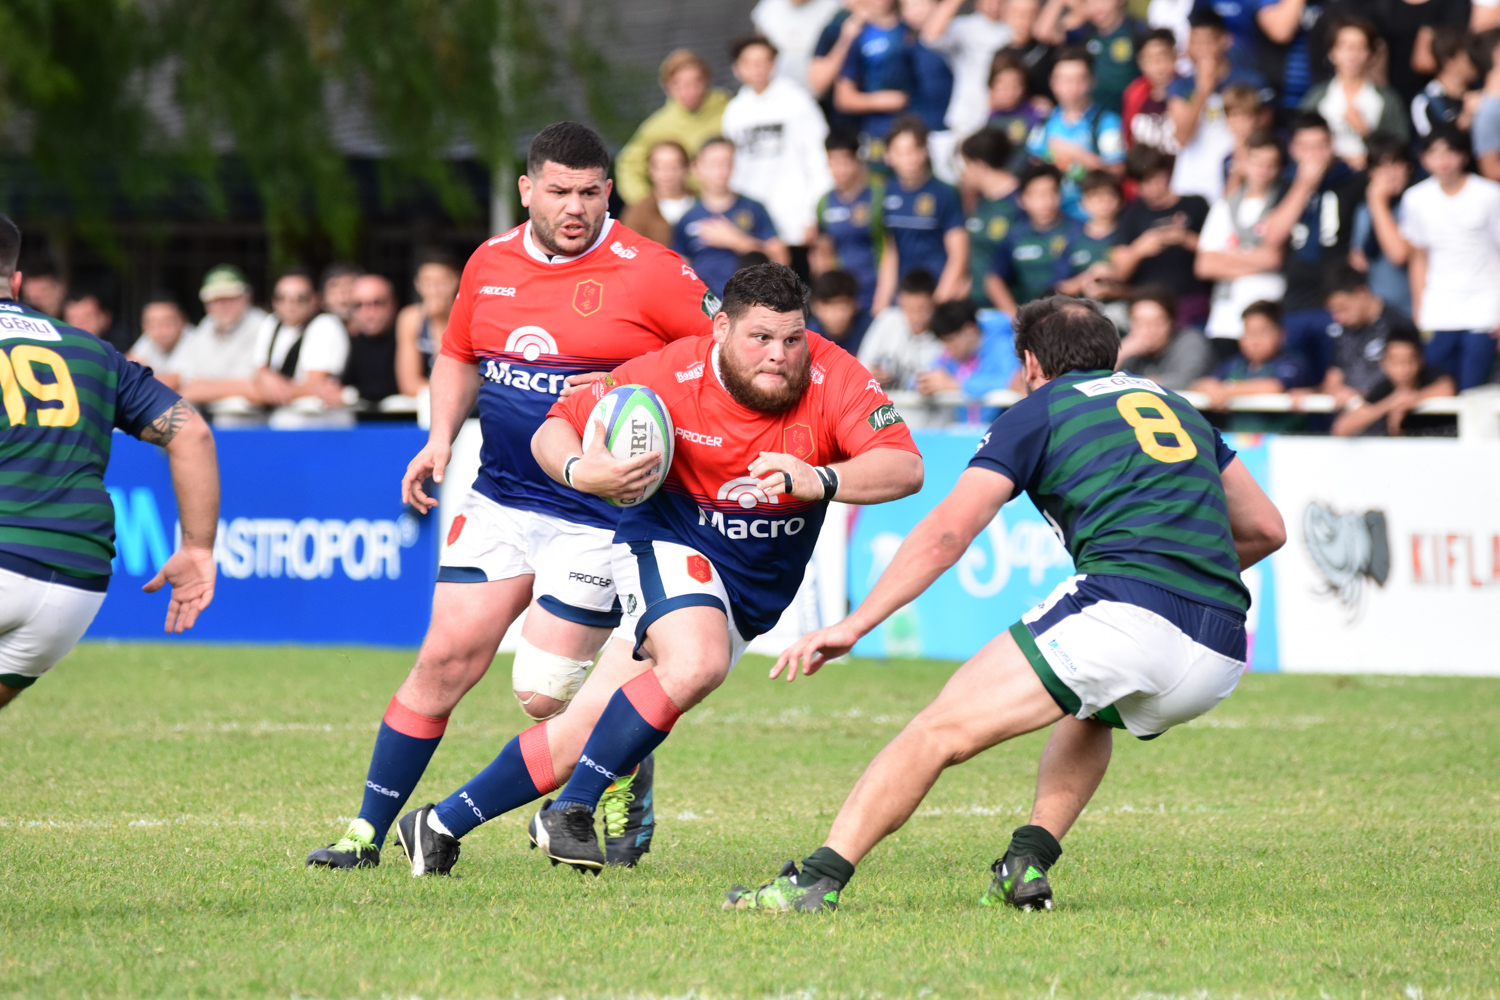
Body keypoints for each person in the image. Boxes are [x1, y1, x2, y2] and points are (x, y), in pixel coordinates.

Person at [726, 294, 1285, 914]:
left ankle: (815, 881)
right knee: (1092, 710)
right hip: (1221, 649)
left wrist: (855, 624)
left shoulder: (1040, 409)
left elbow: (946, 534)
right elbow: (1266, 529)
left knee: (936, 730)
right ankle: (1025, 864)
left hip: (1126, 613)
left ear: (1030, 363)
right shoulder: (1177, 407)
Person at [387, 262, 924, 878]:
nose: (779, 355)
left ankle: (437, 824)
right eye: (760, 338)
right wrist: (577, 470)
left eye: (792, 339)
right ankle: (572, 811)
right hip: (665, 539)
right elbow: (558, 426)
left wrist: (823, 478)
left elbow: (904, 466)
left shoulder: (833, 374)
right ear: (721, 328)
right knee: (695, 663)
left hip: (748, 588)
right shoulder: (669, 373)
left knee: (583, 730)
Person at [303, 122, 716, 873]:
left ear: (608, 193)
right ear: (528, 189)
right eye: (558, 191)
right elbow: (460, 354)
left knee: (541, 695)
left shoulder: (654, 272)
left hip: (600, 518)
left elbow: (722, 361)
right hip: (499, 499)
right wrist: (437, 439)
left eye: (591, 193)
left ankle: (625, 759)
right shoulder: (489, 263)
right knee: (442, 662)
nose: (575, 207)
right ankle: (363, 836)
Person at [0, 214, 220, 710]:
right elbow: (193, 433)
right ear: (16, 282)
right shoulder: (92, 350)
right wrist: (198, 548)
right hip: (75, 584)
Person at [1255, 111, 1358, 383]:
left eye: (1322, 146)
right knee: (1298, 382)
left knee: (1335, 381)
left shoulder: (1352, 180)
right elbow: (1273, 236)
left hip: (1336, 300)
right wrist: (1304, 186)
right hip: (1295, 301)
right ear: (1294, 149)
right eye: (1307, 148)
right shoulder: (1285, 184)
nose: (1316, 155)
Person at [1395, 126, 1500, 390]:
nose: (1443, 161)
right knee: (1438, 389)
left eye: (1450, 152)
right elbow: (1418, 255)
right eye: (1434, 153)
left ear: (1464, 156)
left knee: (1474, 391)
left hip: (1484, 308)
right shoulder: (1415, 198)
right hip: (1438, 309)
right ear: (1423, 159)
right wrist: (1420, 308)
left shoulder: (1489, 195)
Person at [721, 35, 834, 266]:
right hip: (753, 225)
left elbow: (818, 158)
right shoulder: (734, 111)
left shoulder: (797, 101)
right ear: (737, 69)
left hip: (795, 219)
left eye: (763, 61)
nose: (757, 68)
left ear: (773, 63)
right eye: (749, 63)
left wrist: (813, 213)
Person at [1194, 129, 1286, 357]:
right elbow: (1205, 265)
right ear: (1243, 163)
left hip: (1268, 315)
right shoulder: (1224, 205)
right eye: (1256, 162)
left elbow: (1274, 258)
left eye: (1270, 164)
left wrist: (1226, 256)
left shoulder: (1285, 203)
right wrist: (1257, 257)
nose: (1262, 170)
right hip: (1225, 319)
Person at [1167, 10, 1272, 202]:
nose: (1201, 49)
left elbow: (1263, 132)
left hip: (1234, 183)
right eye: (1195, 42)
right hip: (1190, 186)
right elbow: (1181, 137)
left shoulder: (1251, 81)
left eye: (1207, 42)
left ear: (1225, 40)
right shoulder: (1180, 86)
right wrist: (1203, 91)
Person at [676, 137, 790, 298]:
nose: (721, 171)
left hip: (751, 303)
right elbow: (679, 271)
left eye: (727, 163)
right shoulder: (687, 218)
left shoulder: (754, 208)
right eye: (713, 164)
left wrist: (737, 241)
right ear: (696, 167)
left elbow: (782, 260)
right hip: (704, 307)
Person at [617, 51, 731, 207]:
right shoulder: (657, 125)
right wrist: (648, 203)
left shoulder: (730, 111)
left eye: (696, 82)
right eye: (679, 84)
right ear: (667, 87)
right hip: (682, 206)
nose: (689, 91)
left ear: (707, 81)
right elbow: (628, 165)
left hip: (727, 201)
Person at [1113, 146, 1211, 326]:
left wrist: (1185, 238)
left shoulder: (1196, 204)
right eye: (1144, 182)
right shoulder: (1131, 214)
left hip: (1193, 300)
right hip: (1148, 307)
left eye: (1155, 178)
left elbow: (1220, 252)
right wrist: (1140, 249)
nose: (1152, 188)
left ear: (1166, 173)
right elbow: (1119, 272)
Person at [876, 116, 968, 306]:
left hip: (938, 293)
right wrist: (882, 302)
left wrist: (938, 302)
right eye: (900, 152)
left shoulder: (945, 193)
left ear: (925, 152)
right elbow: (890, 253)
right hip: (903, 297)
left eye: (913, 151)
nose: (908, 159)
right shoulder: (886, 192)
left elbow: (958, 255)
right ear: (888, 156)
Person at [1297, 15, 1410, 169]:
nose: (1352, 55)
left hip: (1371, 176)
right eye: (1344, 47)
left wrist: (1365, 132)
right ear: (1331, 53)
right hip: (1326, 176)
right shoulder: (1317, 98)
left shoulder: (1388, 99)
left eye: (1360, 47)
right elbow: (1299, 146)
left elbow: (1400, 151)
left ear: (1371, 54)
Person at [1026, 46, 1127, 216]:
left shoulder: (1107, 122)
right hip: (1054, 221)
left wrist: (1078, 154)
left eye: (1079, 80)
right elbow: (1033, 168)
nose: (1072, 88)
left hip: (1093, 221)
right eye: (1064, 80)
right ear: (1052, 82)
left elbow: (1117, 173)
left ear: (1091, 81)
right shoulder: (1044, 122)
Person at [1191, 299, 1316, 421]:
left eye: (1263, 332)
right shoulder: (1235, 363)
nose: (1255, 341)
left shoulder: (1292, 362)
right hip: (1236, 439)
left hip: (1282, 439)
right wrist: (1210, 388)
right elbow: (1201, 384)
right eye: (1249, 332)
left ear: (1281, 334)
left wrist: (1225, 390)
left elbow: (1272, 387)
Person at [1321, 259, 1424, 406]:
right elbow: (1333, 378)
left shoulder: (1398, 326)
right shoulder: (1341, 331)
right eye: (1334, 311)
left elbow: (1408, 380)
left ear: (1361, 293)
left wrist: (1366, 396)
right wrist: (1336, 391)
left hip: (1388, 418)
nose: (1338, 318)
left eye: (1343, 308)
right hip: (1352, 419)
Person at [251, 269, 350, 410]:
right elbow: (259, 370)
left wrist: (245, 390)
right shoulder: (271, 322)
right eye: (282, 298)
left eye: (300, 298)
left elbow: (314, 387)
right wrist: (264, 379)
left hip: (316, 421)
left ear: (315, 300)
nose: (290, 305)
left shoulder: (326, 325)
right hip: (277, 418)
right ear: (273, 301)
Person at [1330, 328, 1457, 437]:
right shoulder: (1383, 389)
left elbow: (1447, 388)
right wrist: (1389, 404)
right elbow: (1341, 428)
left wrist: (1411, 400)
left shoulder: (1432, 376)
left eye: (1409, 361)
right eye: (1396, 362)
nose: (1404, 370)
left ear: (1421, 360)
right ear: (1383, 364)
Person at [173, 264, 268, 406]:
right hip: (209, 417)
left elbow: (257, 390)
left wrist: (206, 388)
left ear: (247, 297)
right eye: (215, 299)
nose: (223, 304)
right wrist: (234, 387)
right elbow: (187, 387)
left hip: (254, 421)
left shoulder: (262, 326)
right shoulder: (206, 326)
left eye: (230, 297)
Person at [813, 129, 885, 314]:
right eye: (832, 162)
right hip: (846, 302)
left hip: (878, 293)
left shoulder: (878, 195)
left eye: (844, 160)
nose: (839, 169)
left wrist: (883, 297)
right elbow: (824, 253)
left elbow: (891, 250)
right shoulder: (824, 203)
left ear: (856, 160)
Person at [921, 0, 1015, 138]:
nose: (994, 5)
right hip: (967, 117)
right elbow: (930, 37)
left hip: (1007, 117)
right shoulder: (964, 26)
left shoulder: (1014, 27)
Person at [988, 163, 1075, 313]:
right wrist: (1017, 319)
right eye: (1037, 195)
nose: (1046, 201)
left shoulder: (1079, 230)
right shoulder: (1015, 236)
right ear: (1021, 199)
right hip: (1032, 319)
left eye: (1052, 192)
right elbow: (993, 280)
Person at [1036, 0, 1148, 116]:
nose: (1098, 6)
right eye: (1091, 2)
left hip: (1130, 113)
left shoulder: (1138, 30)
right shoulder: (1085, 32)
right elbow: (1044, 33)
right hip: (1093, 119)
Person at [918, 299, 1019, 424]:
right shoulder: (950, 353)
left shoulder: (1003, 345)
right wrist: (924, 383)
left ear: (969, 329)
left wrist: (955, 385)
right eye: (944, 343)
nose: (948, 349)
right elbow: (922, 375)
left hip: (1000, 429)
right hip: (964, 432)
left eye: (951, 341)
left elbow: (1013, 381)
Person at [834, 0, 915, 149]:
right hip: (877, 132)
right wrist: (880, 101)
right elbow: (843, 98)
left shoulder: (912, 27)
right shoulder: (859, 34)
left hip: (917, 129)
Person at [1351, 134, 1415, 316]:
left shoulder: (1415, 204)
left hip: (1412, 308)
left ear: (1408, 168)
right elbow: (1359, 257)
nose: (1389, 175)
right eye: (1381, 167)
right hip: (1380, 311)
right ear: (1370, 173)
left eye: (1396, 165)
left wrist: (1378, 202)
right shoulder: (1364, 210)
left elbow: (1399, 254)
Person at [959, 128, 1021, 309]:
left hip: (1012, 311)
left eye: (966, 165)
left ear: (979, 166)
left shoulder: (1020, 204)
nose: (963, 173)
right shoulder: (980, 204)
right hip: (977, 310)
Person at [1369, 0, 1471, 110]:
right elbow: (1379, 48)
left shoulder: (1453, 5)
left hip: (1436, 97)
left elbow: (1424, 62)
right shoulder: (1385, 5)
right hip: (1395, 90)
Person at [1116, 285, 1215, 389]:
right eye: (1141, 323)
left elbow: (1187, 381)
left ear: (1171, 322)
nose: (1149, 331)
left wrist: (1134, 383)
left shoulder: (1190, 341)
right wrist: (1121, 355)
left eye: (1157, 323)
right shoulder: (1128, 350)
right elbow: (1104, 383)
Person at [394, 250, 461, 398]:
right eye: (428, 282)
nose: (434, 289)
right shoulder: (410, 318)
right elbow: (409, 383)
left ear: (457, 280)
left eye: (442, 282)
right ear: (417, 284)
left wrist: (441, 320)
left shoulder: (470, 317)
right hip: (427, 399)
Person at [859, 268, 942, 388]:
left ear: (934, 303)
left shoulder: (943, 336)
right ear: (901, 301)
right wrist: (869, 374)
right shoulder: (887, 320)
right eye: (909, 309)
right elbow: (860, 365)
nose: (916, 317)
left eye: (923, 310)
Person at [1053, 168, 1123, 300]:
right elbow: (1060, 287)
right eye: (1096, 197)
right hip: (1081, 308)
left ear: (1120, 200)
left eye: (1109, 196)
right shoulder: (1071, 237)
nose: (1104, 203)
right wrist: (1091, 275)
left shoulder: (1128, 235)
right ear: (1082, 202)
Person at [751, 0, 844, 91]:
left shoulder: (836, 7)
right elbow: (759, 48)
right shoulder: (767, 7)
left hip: (824, 92)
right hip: (776, 91)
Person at [619, 141, 695, 249]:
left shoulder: (701, 204)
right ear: (650, 170)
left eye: (674, 167)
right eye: (660, 167)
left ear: (686, 168)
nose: (667, 174)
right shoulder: (638, 212)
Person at [342, 274, 400, 405]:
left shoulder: (409, 340)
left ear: (394, 304)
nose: (368, 312)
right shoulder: (348, 343)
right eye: (358, 305)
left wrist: (348, 395)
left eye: (377, 303)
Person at [1123, 27, 1183, 154]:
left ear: (1175, 56)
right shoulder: (1134, 93)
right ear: (1140, 62)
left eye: (1163, 57)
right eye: (1150, 59)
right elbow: (1128, 139)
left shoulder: (1189, 91)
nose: (1158, 65)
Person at [1411, 26, 1478, 138]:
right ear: (1449, 60)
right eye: (1470, 56)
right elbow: (1433, 147)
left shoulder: (1481, 92)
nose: (1477, 60)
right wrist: (1464, 121)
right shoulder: (1426, 101)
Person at [986, 52, 1048, 153]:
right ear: (992, 86)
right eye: (1004, 87)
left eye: (1016, 86)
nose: (1010, 93)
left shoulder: (1036, 112)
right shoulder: (991, 117)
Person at [127, 295, 190, 389]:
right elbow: (127, 366)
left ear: (182, 321)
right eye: (152, 324)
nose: (159, 331)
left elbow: (170, 383)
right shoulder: (149, 337)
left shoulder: (194, 341)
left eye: (167, 324)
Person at [808, 269, 872, 356]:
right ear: (814, 307)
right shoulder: (808, 338)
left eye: (842, 306)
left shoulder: (870, 329)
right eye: (828, 306)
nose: (836, 315)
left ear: (855, 305)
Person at [62, 286, 130, 352]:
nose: (80, 325)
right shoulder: (60, 351)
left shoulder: (123, 350)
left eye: (87, 318)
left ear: (105, 318)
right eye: (73, 320)